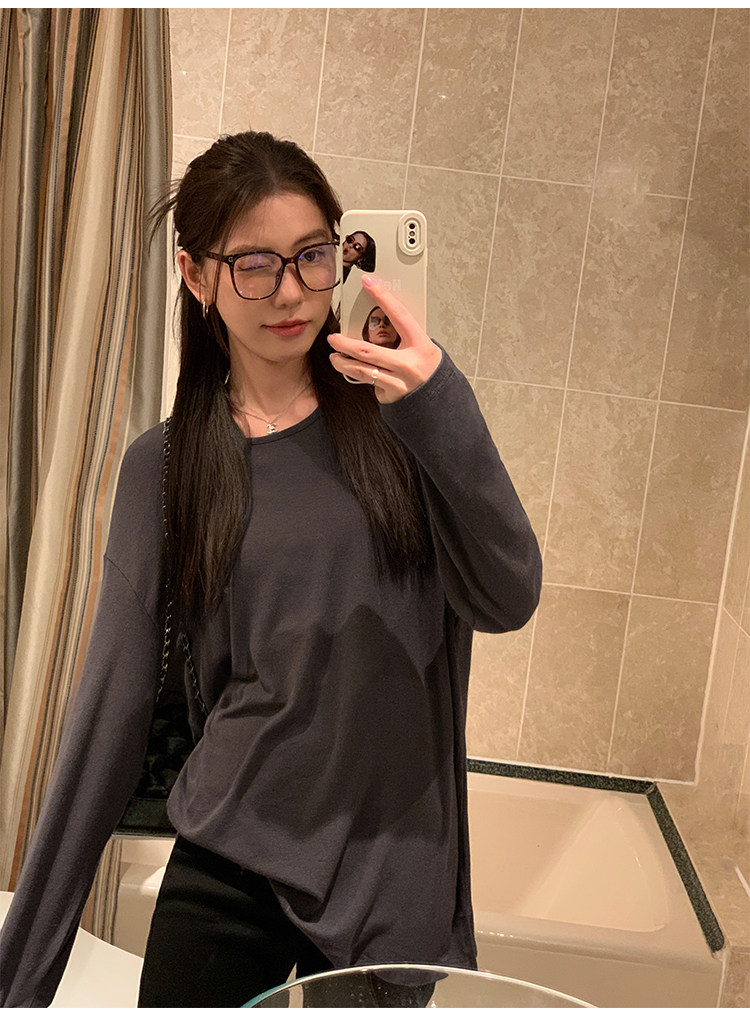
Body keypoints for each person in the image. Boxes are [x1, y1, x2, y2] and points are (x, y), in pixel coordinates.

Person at [0, 131, 542, 1008]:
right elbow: (111, 709)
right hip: (232, 850)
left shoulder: (409, 417)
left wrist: (440, 401)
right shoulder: (166, 466)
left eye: (313, 256)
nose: (290, 292)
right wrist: (17, 979)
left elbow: (508, 595)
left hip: (391, 867)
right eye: (254, 265)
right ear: (195, 275)